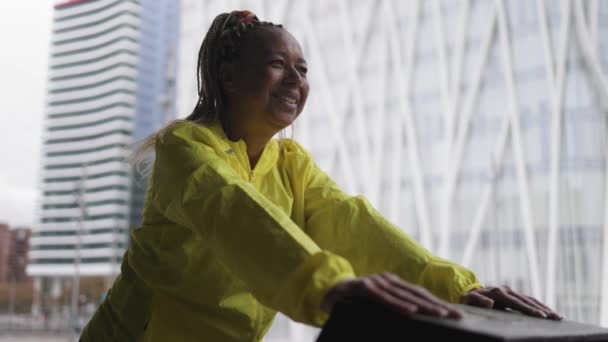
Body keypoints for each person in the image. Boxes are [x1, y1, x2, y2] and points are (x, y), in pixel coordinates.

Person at [80, 10, 561, 342]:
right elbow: (233, 214)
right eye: (276, 64)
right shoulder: (185, 148)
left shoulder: (290, 162)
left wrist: (456, 287)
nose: (296, 79)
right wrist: (328, 284)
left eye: (302, 68)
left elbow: (352, 223)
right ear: (228, 77)